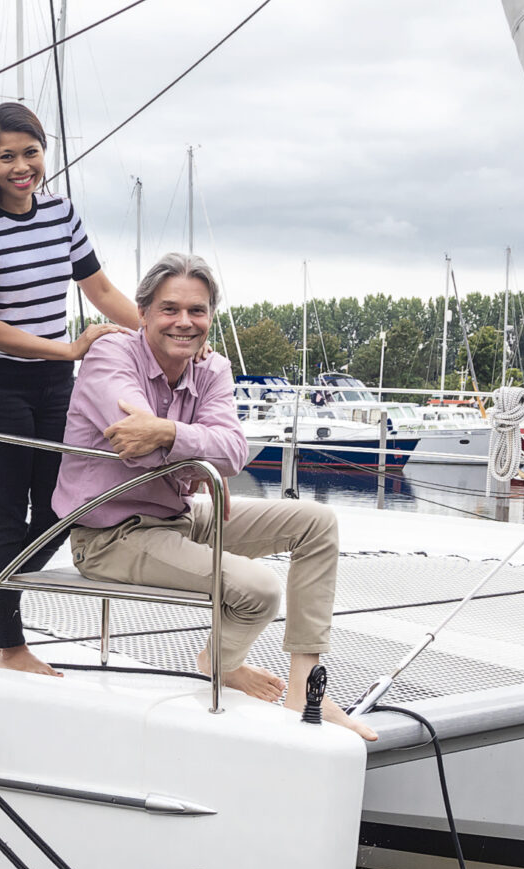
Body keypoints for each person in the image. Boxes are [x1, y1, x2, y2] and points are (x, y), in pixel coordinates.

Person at [55, 253, 377, 742]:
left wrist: (177, 441)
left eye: (197, 311)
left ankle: (303, 687)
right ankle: (219, 664)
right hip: (110, 535)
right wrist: (198, 458)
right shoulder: (111, 356)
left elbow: (234, 449)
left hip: (176, 514)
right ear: (141, 313)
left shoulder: (212, 369)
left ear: (210, 317)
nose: (184, 322)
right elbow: (136, 440)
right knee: (259, 590)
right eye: (169, 309)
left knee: (316, 522)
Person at [0, 103, 141, 675]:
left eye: (31, 152)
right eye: (8, 156)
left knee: (63, 503)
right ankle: (10, 646)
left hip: (53, 385)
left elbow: (98, 288)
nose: (22, 166)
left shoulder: (61, 214)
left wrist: (157, 334)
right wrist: (70, 349)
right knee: (8, 513)